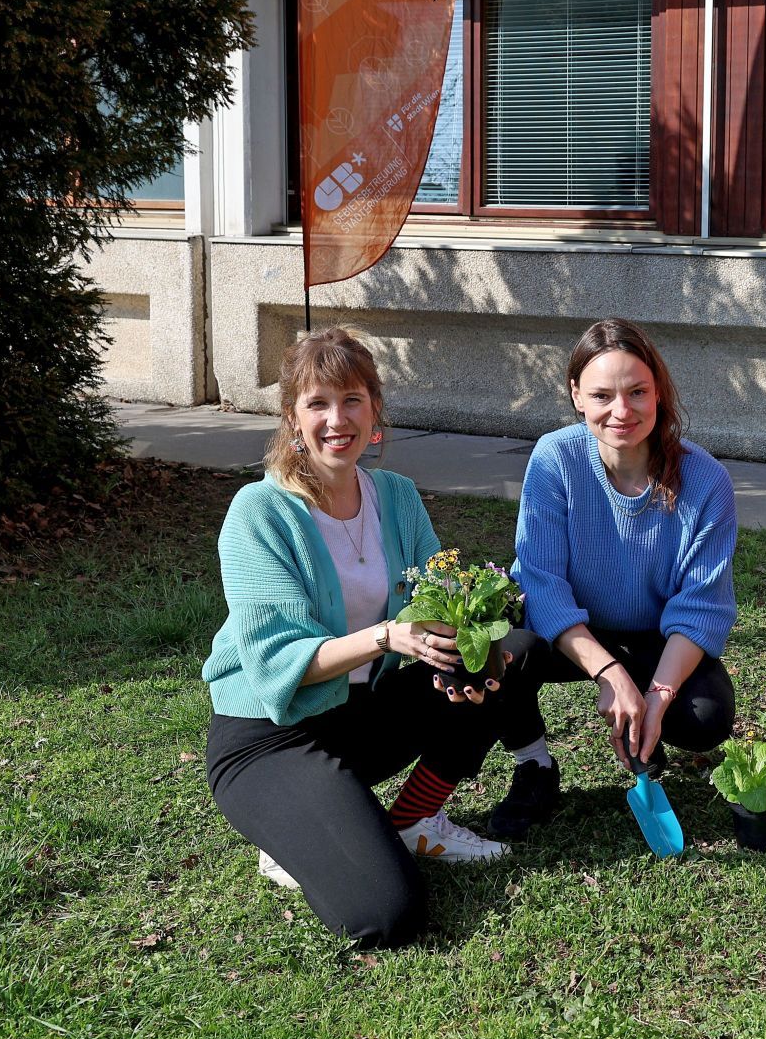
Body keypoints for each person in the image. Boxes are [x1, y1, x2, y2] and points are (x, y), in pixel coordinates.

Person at [204, 327, 527, 949]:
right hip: (270, 738)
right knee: (388, 914)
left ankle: (411, 820)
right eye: (317, 403)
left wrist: (467, 637)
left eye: (352, 399)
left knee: (510, 654)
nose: (337, 419)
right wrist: (388, 636)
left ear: (375, 409)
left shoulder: (398, 498)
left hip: (357, 714)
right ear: (292, 418)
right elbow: (275, 663)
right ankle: (292, 830)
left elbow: (441, 598)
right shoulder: (260, 512)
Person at [485, 319, 738, 839]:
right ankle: (535, 767)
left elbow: (701, 608)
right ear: (576, 396)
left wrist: (660, 697)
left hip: (654, 635)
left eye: (637, 392)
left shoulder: (706, 480)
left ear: (659, 393)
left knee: (706, 716)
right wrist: (610, 674)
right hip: (564, 632)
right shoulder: (555, 460)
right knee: (502, 651)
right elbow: (542, 586)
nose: (622, 411)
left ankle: (650, 728)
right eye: (602, 395)